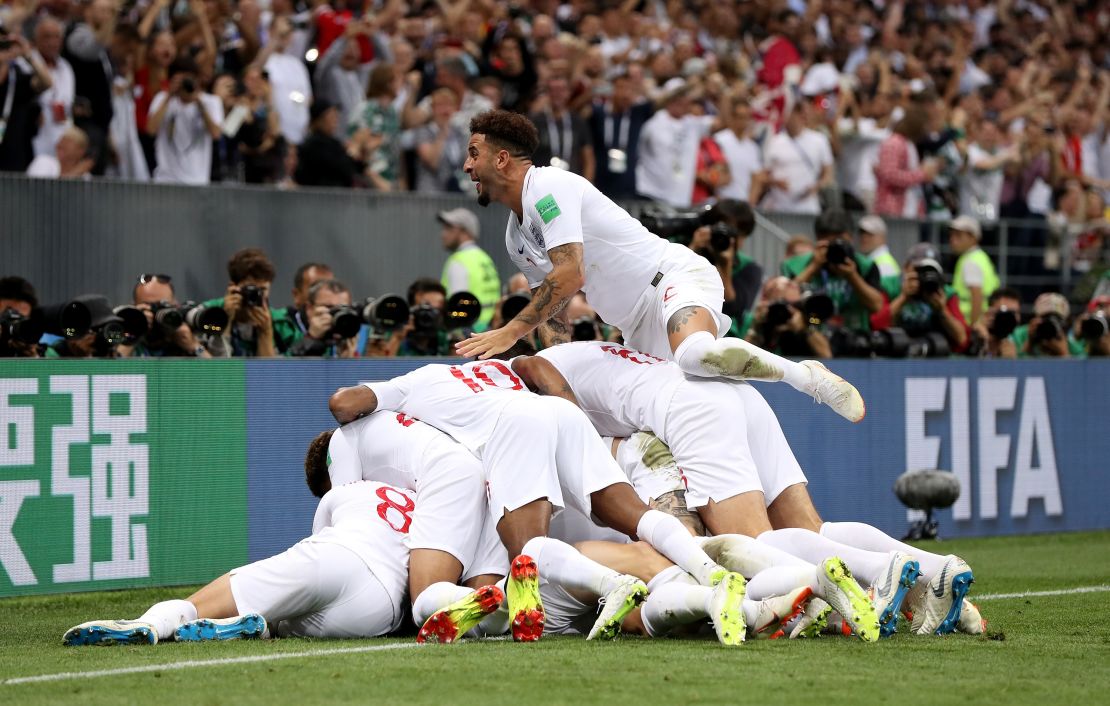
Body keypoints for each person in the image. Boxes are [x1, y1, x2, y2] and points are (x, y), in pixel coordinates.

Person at [456, 109, 864, 424]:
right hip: (635, 326)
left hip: (672, 278)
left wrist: (511, 331)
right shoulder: (515, 236)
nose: (467, 167)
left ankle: (804, 377)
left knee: (695, 355)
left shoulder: (548, 187)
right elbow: (553, 309)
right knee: (668, 413)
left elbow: (570, 275)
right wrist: (561, 376)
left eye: (474, 154)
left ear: (503, 159)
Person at [328, 360, 748, 643]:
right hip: (556, 412)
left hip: (514, 426)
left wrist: (377, 407)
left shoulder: (417, 383)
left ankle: (610, 586)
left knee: (524, 555)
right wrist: (565, 403)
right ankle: (709, 573)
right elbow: (533, 363)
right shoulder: (497, 367)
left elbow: (342, 403)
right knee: (636, 517)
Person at [63, 481, 421, 645]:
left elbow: (319, 542)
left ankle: (149, 624)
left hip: (337, 557)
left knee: (195, 604)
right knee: (281, 626)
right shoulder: (433, 503)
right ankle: (243, 629)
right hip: (379, 610)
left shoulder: (345, 490)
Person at [203, 247, 297, 357]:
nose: (256, 295)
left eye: (262, 290)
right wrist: (224, 321)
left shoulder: (281, 324)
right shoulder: (209, 314)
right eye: (251, 289)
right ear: (233, 287)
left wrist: (266, 332)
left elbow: (270, 373)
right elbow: (217, 369)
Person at [146, 57, 223, 185]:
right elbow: (150, 130)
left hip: (197, 180)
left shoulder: (211, 102)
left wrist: (199, 102)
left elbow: (216, 134)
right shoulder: (162, 99)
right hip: (166, 179)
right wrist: (169, 96)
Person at [760, 100, 834, 215]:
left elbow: (828, 174)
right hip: (778, 206)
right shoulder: (775, 141)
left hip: (808, 206)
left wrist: (815, 187)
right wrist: (775, 182)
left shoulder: (819, 140)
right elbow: (763, 175)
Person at [118, 272, 212, 358]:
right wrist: (134, 331)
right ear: (135, 306)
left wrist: (194, 346)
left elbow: (219, 374)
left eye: (162, 305)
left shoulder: (190, 329)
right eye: (148, 306)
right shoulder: (122, 331)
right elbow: (108, 371)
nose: (155, 313)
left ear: (176, 305)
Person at [438, 207, 500, 331]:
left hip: (467, 330)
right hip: (489, 328)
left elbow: (457, 307)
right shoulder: (485, 258)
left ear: (464, 232)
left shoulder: (458, 261)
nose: (443, 234)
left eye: (449, 228)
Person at [948, 215, 999, 326]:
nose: (952, 239)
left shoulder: (970, 262)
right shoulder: (980, 257)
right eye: (952, 235)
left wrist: (973, 326)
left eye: (958, 235)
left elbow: (976, 296)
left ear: (973, 238)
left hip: (969, 322)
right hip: (983, 319)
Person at [856, 214, 901, 300]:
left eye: (870, 234)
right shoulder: (869, 260)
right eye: (862, 234)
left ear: (882, 236)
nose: (864, 238)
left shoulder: (885, 265)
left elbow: (882, 299)